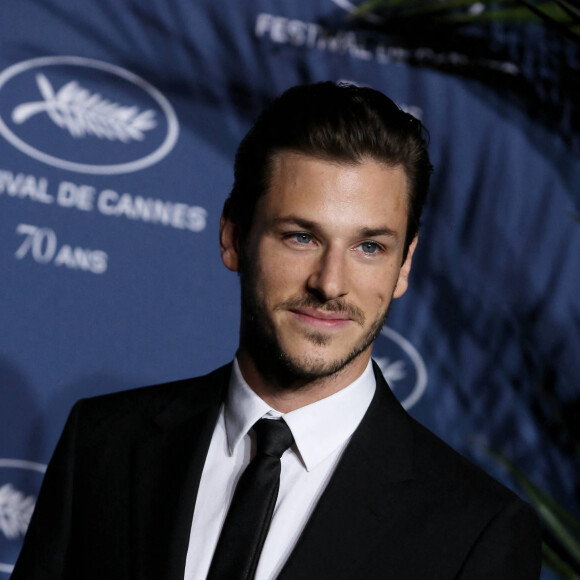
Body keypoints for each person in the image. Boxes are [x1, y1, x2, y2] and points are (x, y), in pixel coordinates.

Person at [13, 82, 541, 580]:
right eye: (300, 237)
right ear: (234, 237)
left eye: (369, 247)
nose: (330, 283)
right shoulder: (103, 445)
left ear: (404, 266)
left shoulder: (477, 532)